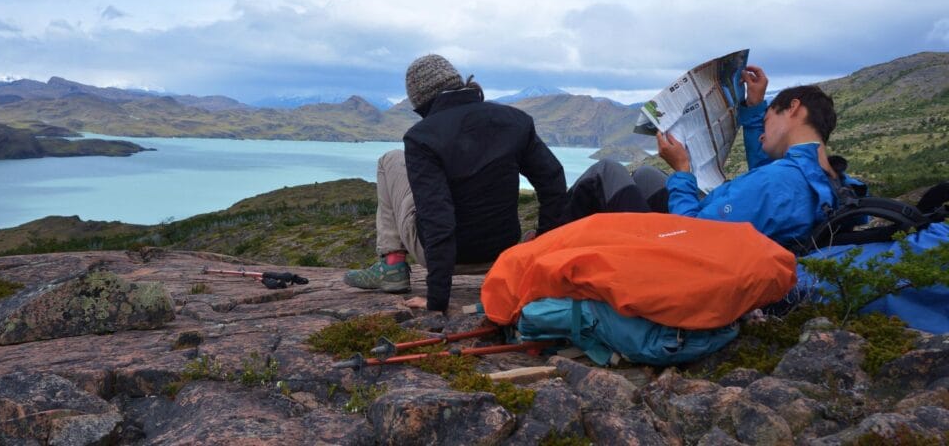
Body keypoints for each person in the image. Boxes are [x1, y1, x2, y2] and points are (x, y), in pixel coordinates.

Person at [343, 54, 567, 313]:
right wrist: (540, 248)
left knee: (390, 160)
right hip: (501, 252)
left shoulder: (422, 137)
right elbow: (553, 181)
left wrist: (437, 301)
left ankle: (392, 265)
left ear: (422, 102)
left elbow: (438, 217)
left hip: (447, 257)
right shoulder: (515, 121)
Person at [562, 65, 838, 248]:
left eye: (766, 121)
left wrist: (683, 170)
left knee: (607, 172)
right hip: (726, 246)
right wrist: (755, 109)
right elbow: (773, 177)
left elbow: (692, 235)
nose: (763, 135)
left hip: (683, 255)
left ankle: (546, 245)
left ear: (793, 109)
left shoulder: (778, 182)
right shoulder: (822, 177)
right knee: (646, 176)